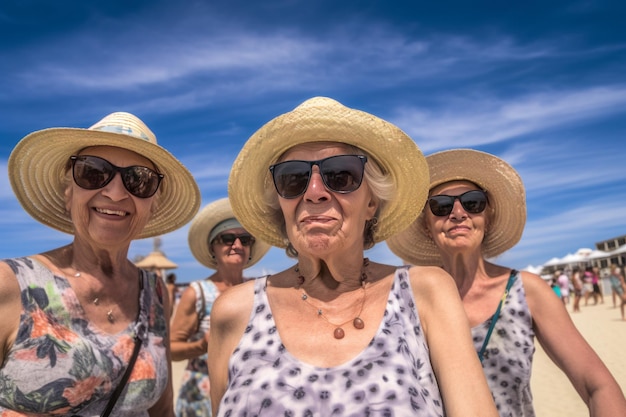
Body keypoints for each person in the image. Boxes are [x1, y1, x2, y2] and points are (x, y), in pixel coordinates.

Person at [208, 97, 499, 417]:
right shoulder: (234, 311)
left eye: (341, 175)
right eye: (293, 178)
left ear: (372, 202)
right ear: (280, 203)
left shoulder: (424, 292)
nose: (314, 191)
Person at [387, 148, 626, 416]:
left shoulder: (526, 290)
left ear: (487, 218)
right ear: (425, 226)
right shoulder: (408, 298)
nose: (457, 212)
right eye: (441, 206)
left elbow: (597, 385)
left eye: (473, 202)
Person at [0, 112, 201, 416]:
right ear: (69, 192)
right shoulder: (10, 284)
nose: (116, 192)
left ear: (152, 204)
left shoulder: (155, 293)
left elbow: (161, 410)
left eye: (139, 180)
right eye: (93, 173)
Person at [170, 198, 270, 417]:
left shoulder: (260, 290)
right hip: (200, 398)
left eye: (245, 239)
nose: (237, 245)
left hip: (248, 396)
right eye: (227, 238)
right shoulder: (198, 293)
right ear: (212, 248)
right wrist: (201, 346)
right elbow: (172, 348)